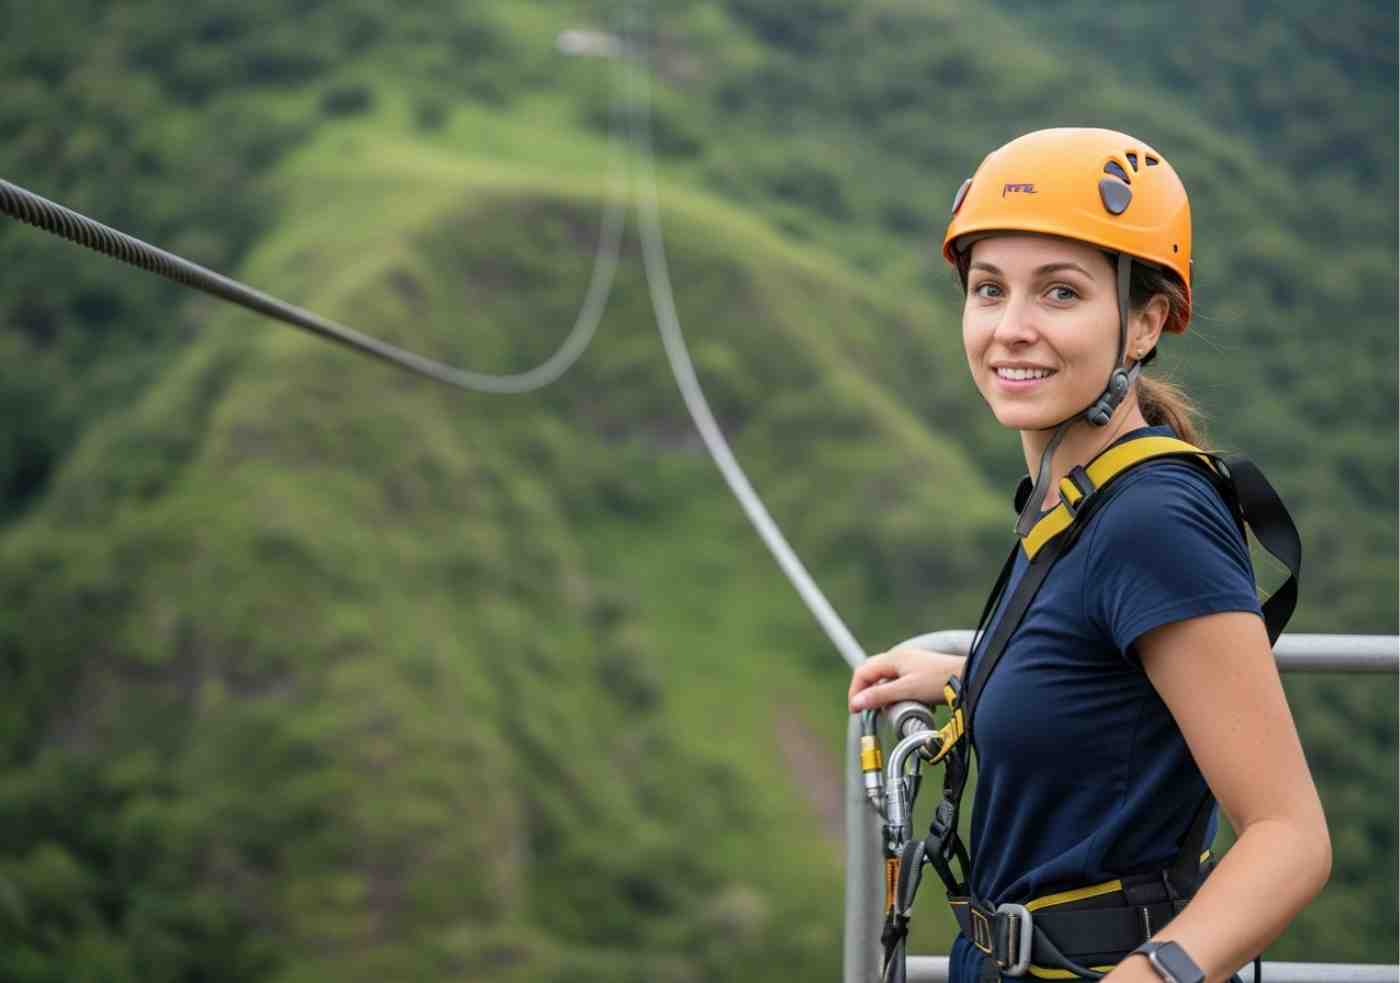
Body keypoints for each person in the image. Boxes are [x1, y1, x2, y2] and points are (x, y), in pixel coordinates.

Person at [847, 129, 1330, 983]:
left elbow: (1290, 839)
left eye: (1060, 293)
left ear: (1143, 323)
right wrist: (970, 684)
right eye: (988, 289)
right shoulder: (1074, 499)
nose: (1011, 329)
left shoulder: (1153, 520)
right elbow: (1107, 711)